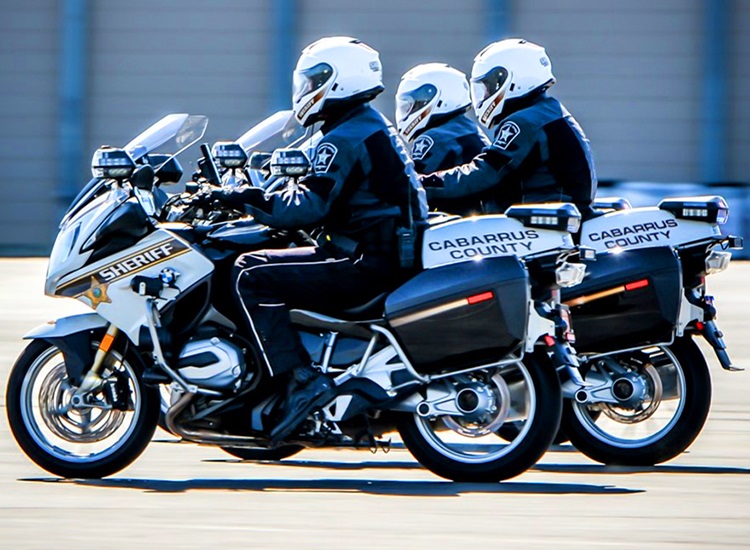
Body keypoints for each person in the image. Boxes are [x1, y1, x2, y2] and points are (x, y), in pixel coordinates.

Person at [211, 36, 427, 443]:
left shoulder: (345, 137)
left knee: (248, 273)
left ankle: (300, 380)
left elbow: (306, 206)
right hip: (379, 251)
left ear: (339, 81)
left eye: (314, 79)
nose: (306, 89)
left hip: (365, 259)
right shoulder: (361, 125)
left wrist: (243, 197)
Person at [420, 39, 597, 218]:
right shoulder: (547, 112)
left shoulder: (523, 122)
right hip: (554, 215)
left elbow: (484, 174)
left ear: (514, 78)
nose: (486, 95)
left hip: (538, 223)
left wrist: (423, 184)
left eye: (490, 86)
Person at [395, 63, 490, 215]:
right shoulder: (470, 129)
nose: (406, 112)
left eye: (412, 105)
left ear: (437, 98)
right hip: (480, 218)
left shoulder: (432, 138)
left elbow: (410, 188)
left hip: (455, 226)